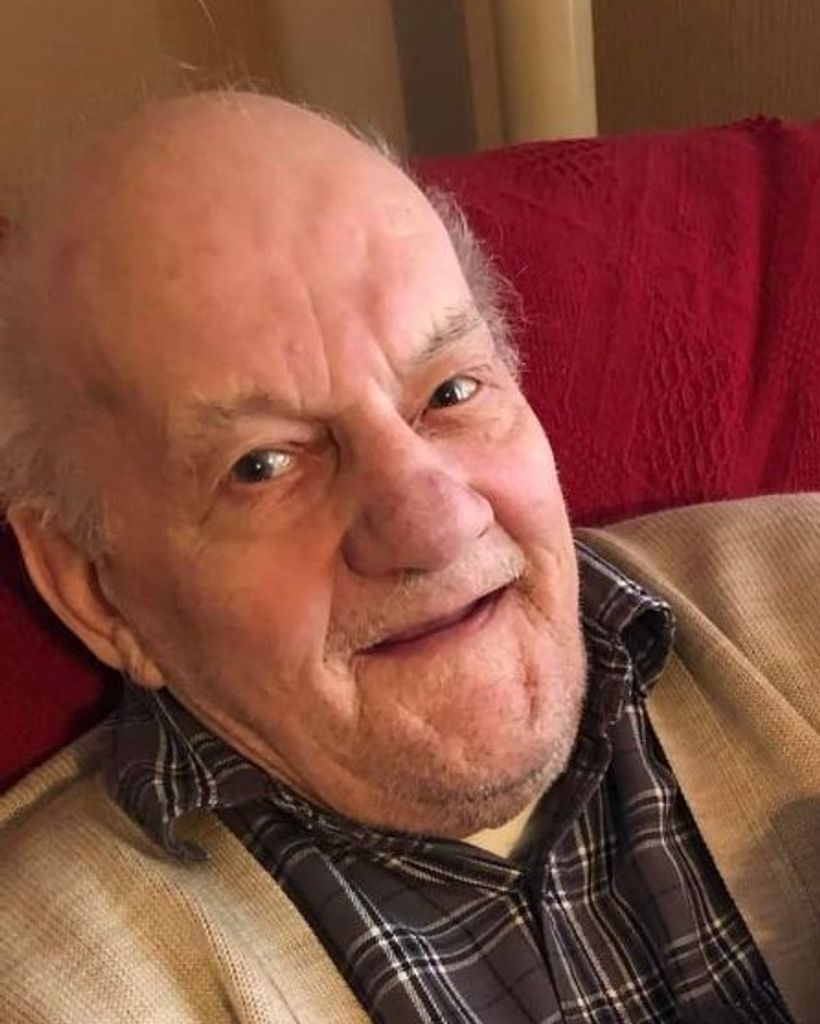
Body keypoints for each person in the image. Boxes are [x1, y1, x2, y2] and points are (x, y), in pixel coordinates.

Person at [0, 91, 816, 1024]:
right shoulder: (46, 986)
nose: (435, 525)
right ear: (95, 590)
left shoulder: (802, 590)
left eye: (452, 391)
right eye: (262, 465)